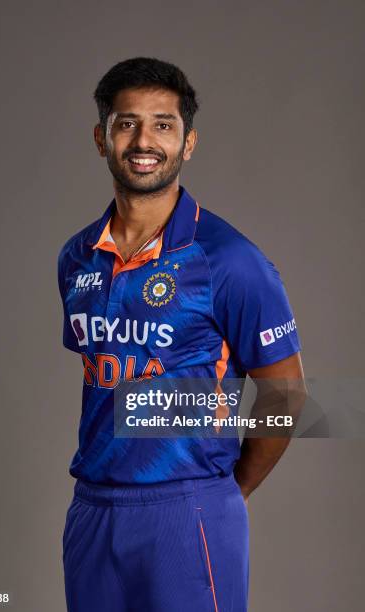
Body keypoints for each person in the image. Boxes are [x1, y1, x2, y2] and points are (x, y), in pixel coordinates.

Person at [57, 56, 306, 612]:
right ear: (102, 138)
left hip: (188, 507)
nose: (144, 140)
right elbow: (110, 382)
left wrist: (224, 492)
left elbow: (286, 395)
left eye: (163, 125)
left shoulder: (229, 260)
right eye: (127, 123)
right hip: (92, 510)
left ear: (187, 142)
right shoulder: (76, 257)